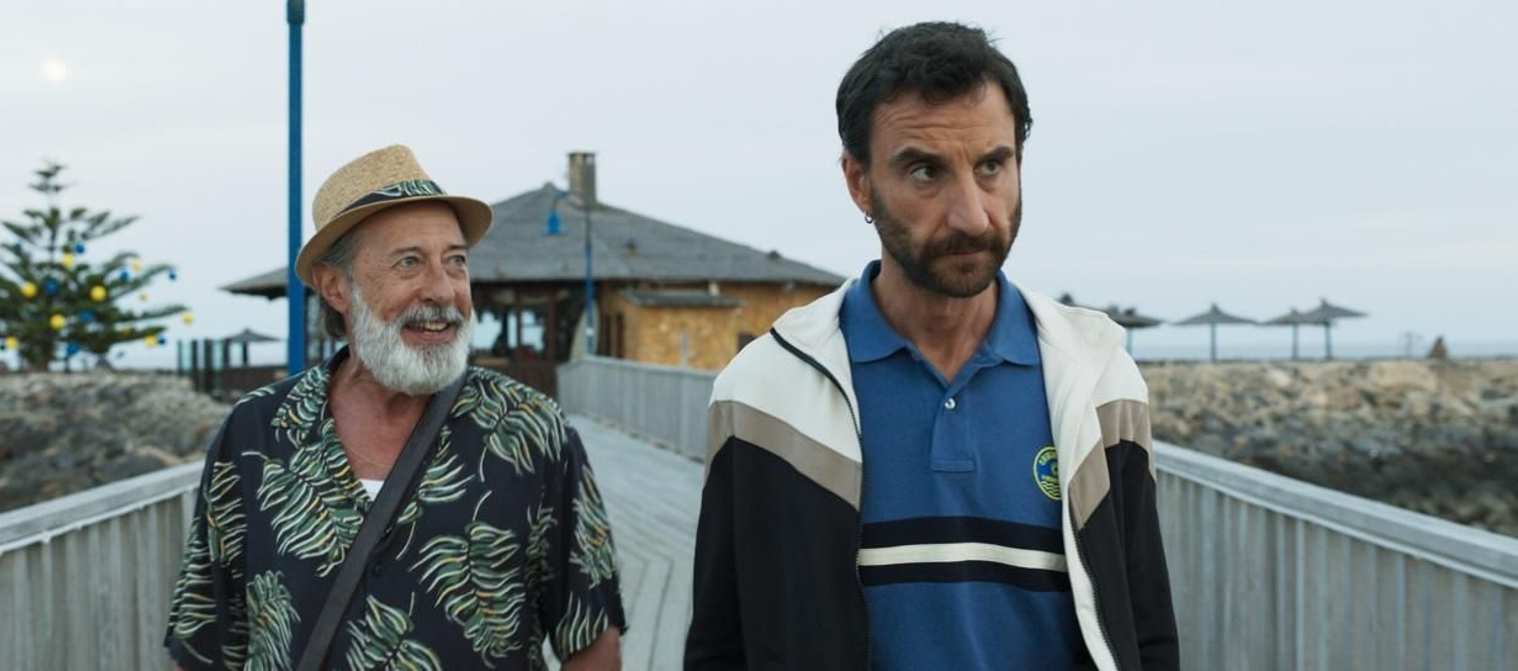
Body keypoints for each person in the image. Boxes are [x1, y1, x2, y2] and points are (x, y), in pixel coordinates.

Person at [687, 22, 1178, 671]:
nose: (972, 213)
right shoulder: (764, 393)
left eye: (992, 166)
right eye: (925, 170)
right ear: (858, 181)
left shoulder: (1099, 381)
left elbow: (1145, 633)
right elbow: (723, 645)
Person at [164, 145, 626, 670]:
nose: (442, 290)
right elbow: (205, 641)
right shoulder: (256, 432)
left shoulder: (530, 430)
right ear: (336, 286)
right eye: (409, 262)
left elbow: (591, 637)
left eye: (456, 262)